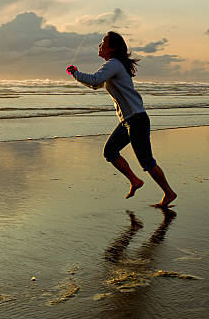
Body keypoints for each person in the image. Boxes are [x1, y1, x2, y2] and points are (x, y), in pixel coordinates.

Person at [66, 31, 177, 208]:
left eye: (103, 42)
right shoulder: (113, 66)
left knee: (147, 162)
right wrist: (77, 75)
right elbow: (95, 84)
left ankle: (169, 193)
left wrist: (76, 73)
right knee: (110, 152)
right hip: (129, 120)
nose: (99, 45)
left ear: (112, 48)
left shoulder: (113, 64)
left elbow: (96, 79)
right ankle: (135, 181)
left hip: (136, 120)